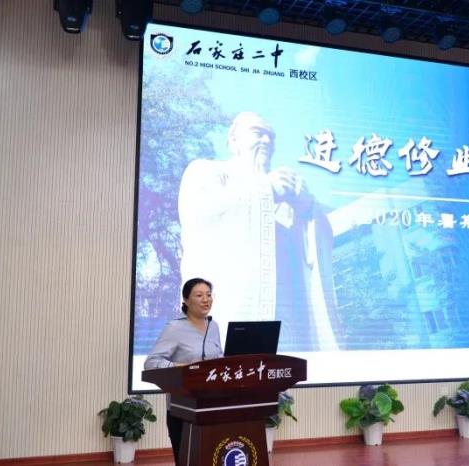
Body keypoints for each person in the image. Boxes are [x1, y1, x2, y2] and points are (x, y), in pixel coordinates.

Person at [177, 111, 339, 351]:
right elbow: (200, 214)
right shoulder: (207, 171)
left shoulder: (286, 190)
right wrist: (266, 190)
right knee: (238, 368)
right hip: (235, 307)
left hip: (288, 314)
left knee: (287, 367)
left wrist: (308, 208)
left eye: (270, 137)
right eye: (258, 133)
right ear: (233, 140)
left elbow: (321, 240)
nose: (266, 141)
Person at [144, 278, 223, 465]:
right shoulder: (175, 328)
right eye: (199, 295)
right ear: (186, 300)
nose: (206, 299)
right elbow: (151, 362)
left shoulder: (213, 326)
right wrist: (180, 367)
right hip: (183, 408)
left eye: (209, 295)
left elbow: (219, 358)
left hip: (211, 405)